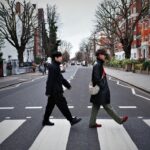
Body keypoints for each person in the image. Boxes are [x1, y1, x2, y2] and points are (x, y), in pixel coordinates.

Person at [89, 49, 128, 128]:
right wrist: (103, 86)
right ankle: (119, 120)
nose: (104, 56)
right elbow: (96, 78)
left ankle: (92, 123)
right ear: (100, 55)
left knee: (95, 107)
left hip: (99, 91)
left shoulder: (98, 63)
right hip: (100, 91)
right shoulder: (97, 65)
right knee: (107, 106)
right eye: (103, 54)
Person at [43, 51, 82, 126]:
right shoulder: (53, 67)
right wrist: (48, 92)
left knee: (49, 107)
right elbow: (50, 80)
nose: (61, 58)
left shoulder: (56, 66)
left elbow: (60, 78)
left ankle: (45, 120)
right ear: (56, 58)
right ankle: (71, 120)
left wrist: (68, 85)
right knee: (63, 105)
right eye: (60, 57)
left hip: (54, 91)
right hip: (56, 92)